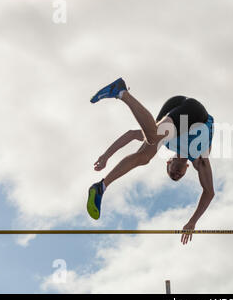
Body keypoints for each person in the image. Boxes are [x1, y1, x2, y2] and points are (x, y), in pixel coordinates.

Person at [86, 78, 215, 244]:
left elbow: (132, 134)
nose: (176, 173)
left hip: (183, 110)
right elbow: (209, 192)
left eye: (172, 175)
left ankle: (101, 186)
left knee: (146, 154)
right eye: (178, 175)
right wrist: (193, 222)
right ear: (185, 167)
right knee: (153, 137)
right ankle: (121, 92)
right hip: (194, 113)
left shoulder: (168, 142)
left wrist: (106, 156)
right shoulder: (198, 159)